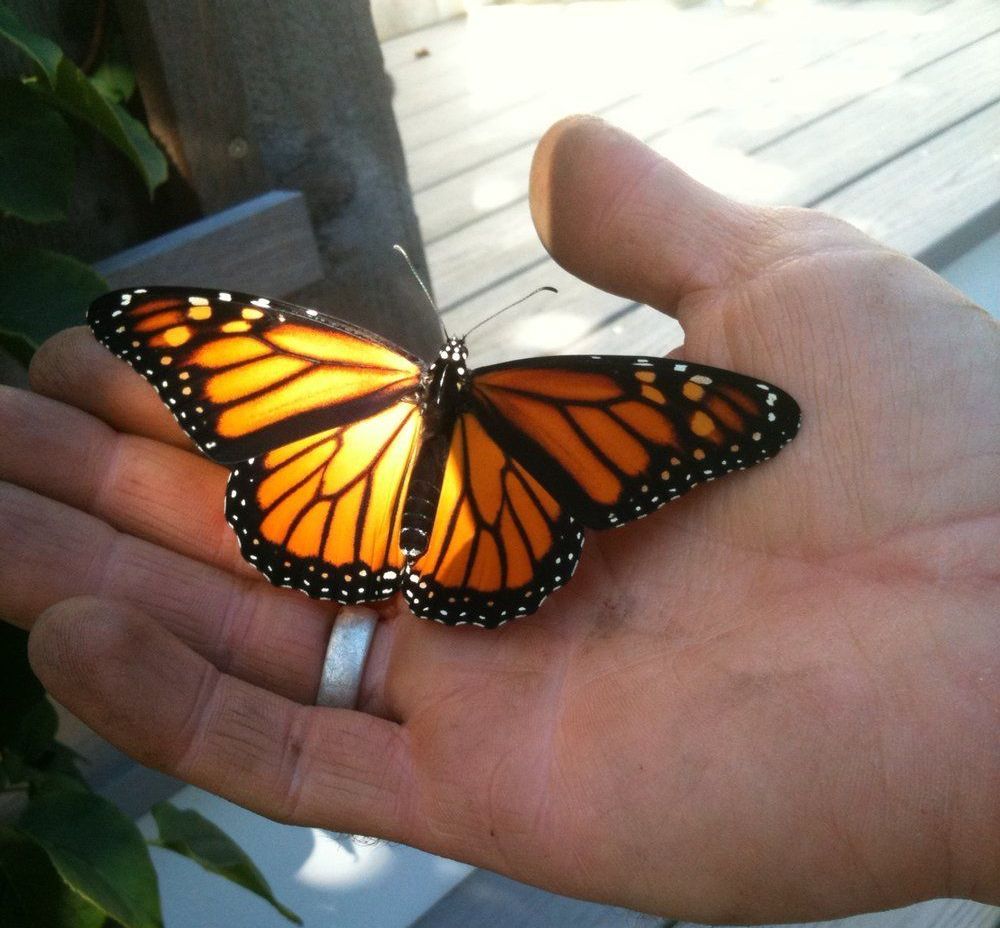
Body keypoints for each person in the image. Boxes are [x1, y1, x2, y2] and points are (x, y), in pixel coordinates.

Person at [0, 116, 996, 923]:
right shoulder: (552, 398)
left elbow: (677, 421)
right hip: (471, 506)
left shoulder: (364, 374)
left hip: (352, 474)